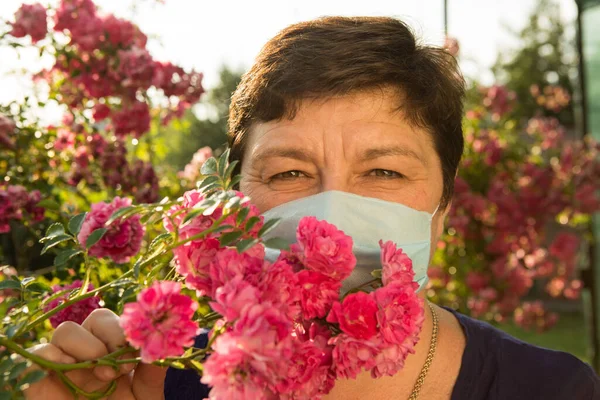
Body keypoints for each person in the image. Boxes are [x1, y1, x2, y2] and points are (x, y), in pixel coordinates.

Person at [25, 16, 599, 400]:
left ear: (441, 209)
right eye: (289, 172)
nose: (329, 212)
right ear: (233, 197)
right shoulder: (160, 380)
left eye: (383, 171)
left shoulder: (553, 390)